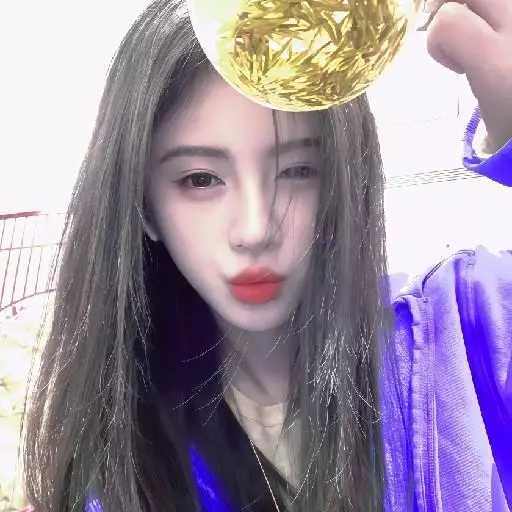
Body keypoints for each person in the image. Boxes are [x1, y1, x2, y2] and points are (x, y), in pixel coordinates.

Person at [22, 0, 512, 511]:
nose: (255, 229)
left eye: (297, 171)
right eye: (200, 180)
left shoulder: (467, 330)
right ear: (145, 210)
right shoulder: (121, 475)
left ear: (343, 178)